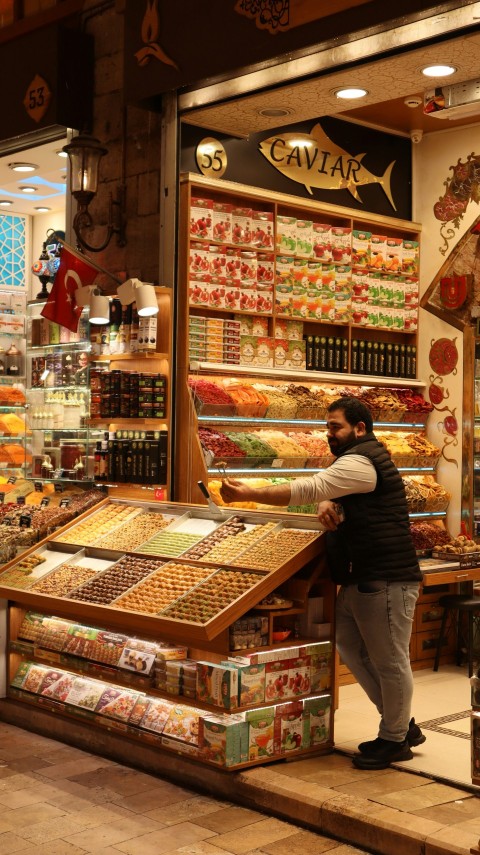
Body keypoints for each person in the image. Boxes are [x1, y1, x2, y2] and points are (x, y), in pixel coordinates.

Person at [219, 396, 425, 770]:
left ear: (359, 428)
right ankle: (401, 723)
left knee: (391, 661)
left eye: (335, 427)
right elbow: (327, 491)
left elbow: (311, 487)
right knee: (350, 648)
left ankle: (395, 739)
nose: (328, 433)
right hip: (360, 577)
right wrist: (326, 502)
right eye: (327, 426)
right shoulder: (355, 458)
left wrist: (249, 493)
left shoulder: (363, 460)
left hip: (385, 578)